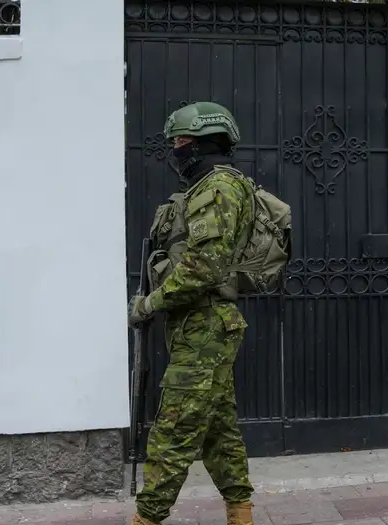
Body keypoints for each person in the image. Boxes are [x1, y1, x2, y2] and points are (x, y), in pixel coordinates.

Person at [127, 101, 259, 525]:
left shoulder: (216, 188)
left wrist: (150, 303)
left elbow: (205, 266)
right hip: (199, 325)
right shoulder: (208, 187)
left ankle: (146, 518)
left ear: (205, 143)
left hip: (206, 324)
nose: (176, 150)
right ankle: (241, 513)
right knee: (218, 429)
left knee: (174, 427)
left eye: (182, 142)